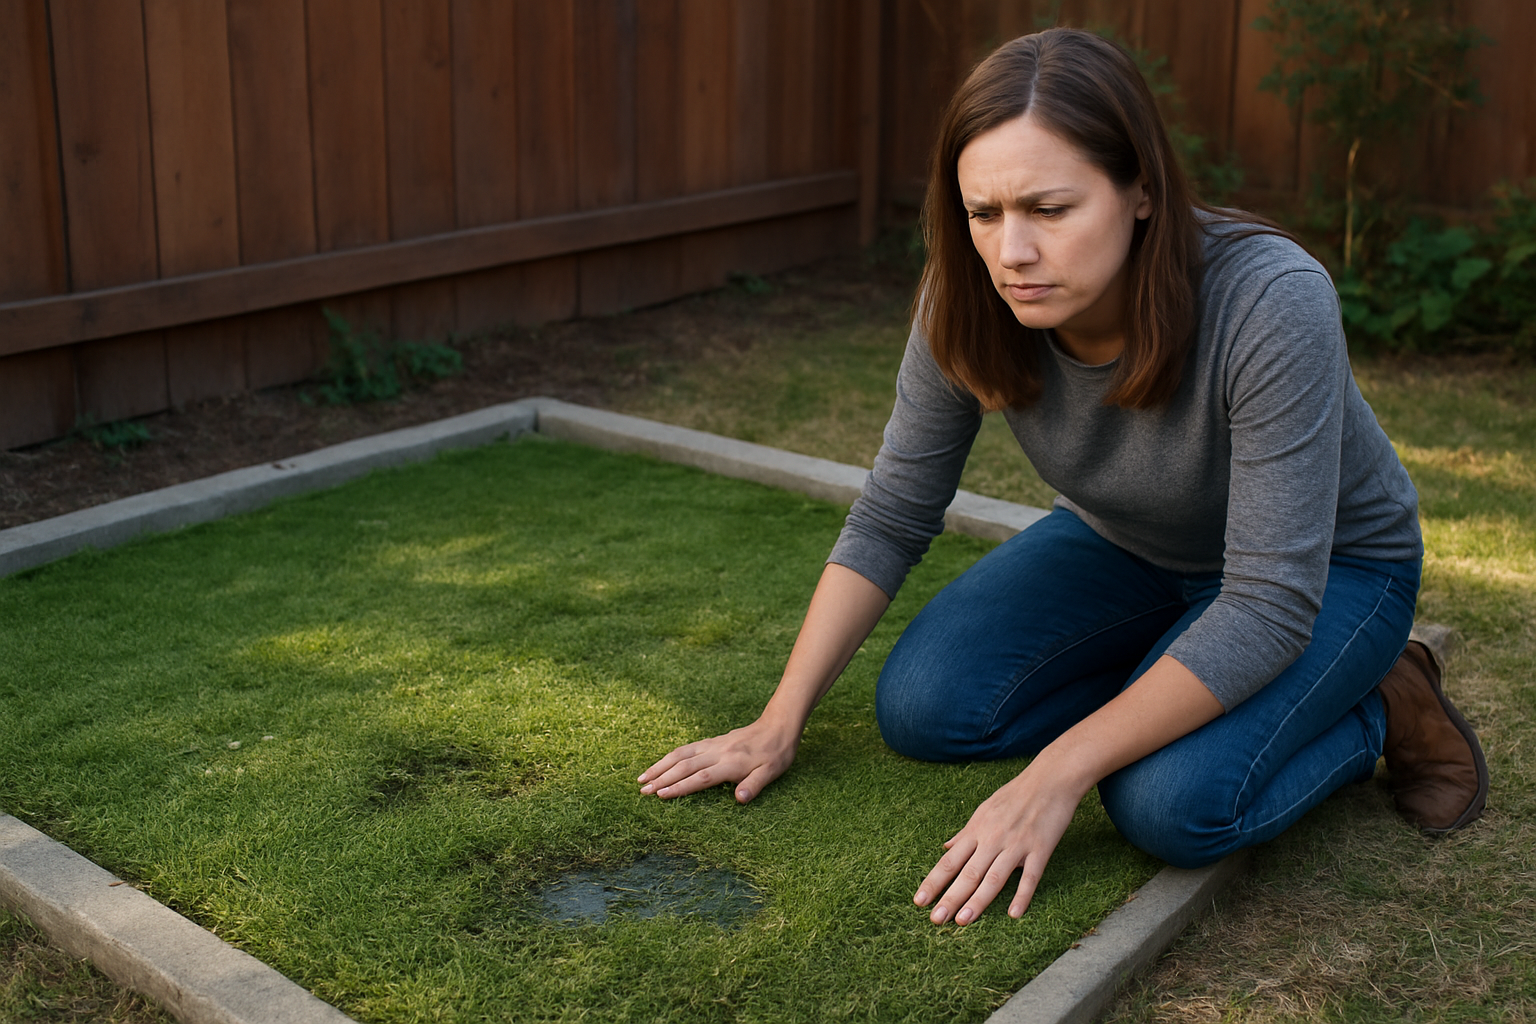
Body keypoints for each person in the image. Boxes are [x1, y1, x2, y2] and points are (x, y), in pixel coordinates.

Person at [637, 28, 1489, 926]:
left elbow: (1271, 600)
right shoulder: (966, 297)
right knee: (926, 709)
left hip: (1328, 573)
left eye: (1050, 209)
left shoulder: (1271, 298)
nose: (1011, 253)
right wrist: (780, 719)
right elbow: (894, 512)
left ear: (1142, 192)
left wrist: (1060, 770)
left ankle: (1375, 706)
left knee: (1168, 805)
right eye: (983, 213)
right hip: (1126, 545)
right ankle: (1177, 668)